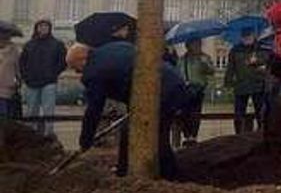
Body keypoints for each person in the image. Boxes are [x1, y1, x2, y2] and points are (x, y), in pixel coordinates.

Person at [68, 41, 192, 179]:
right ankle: (124, 170)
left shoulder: (93, 71)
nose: (78, 72)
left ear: (82, 59)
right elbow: (130, 77)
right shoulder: (115, 46)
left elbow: (94, 109)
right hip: (172, 82)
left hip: (162, 91)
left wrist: (85, 140)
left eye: (76, 68)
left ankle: (172, 175)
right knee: (130, 130)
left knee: (156, 134)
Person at [17, 19, 67, 136]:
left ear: (49, 28)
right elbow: (22, 62)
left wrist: (54, 73)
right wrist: (26, 77)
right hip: (31, 82)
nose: (43, 28)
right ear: (36, 28)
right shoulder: (29, 44)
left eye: (46, 26)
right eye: (41, 26)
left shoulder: (57, 44)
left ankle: (48, 134)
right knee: (31, 110)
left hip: (49, 82)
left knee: (48, 110)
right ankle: (31, 134)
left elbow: (63, 62)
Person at [224, 29, 267, 133]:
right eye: (244, 37)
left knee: (260, 111)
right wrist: (228, 83)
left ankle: (262, 132)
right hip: (241, 85)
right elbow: (230, 67)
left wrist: (258, 62)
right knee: (239, 113)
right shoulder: (235, 50)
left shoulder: (261, 48)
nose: (247, 39)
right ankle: (238, 134)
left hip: (258, 84)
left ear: (254, 36)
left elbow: (267, 63)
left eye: (249, 36)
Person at [177, 38, 213, 147]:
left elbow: (211, 71)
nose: (197, 46)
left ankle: (193, 135)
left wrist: (204, 63)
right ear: (188, 45)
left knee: (195, 113)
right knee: (184, 113)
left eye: (199, 44)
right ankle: (187, 135)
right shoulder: (183, 59)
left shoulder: (204, 57)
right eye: (195, 44)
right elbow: (178, 72)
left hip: (198, 89)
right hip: (185, 89)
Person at [0, 30, 19, 120]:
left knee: (7, 115)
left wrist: (18, 80)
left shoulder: (14, 50)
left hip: (8, 87)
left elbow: (18, 67)